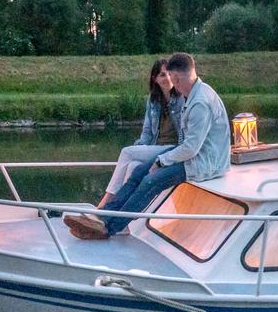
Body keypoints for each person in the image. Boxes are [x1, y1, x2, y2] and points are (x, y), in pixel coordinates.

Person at [68, 52, 229, 239]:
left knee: (150, 181)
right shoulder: (194, 93)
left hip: (203, 162)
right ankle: (103, 216)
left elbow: (191, 148)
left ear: (176, 77)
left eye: (172, 79)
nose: (172, 84)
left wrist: (161, 162)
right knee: (138, 173)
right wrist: (160, 158)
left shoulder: (200, 102)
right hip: (191, 153)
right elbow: (187, 146)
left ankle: (109, 228)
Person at [94, 59, 183, 207]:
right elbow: (147, 133)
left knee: (127, 153)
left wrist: (135, 151)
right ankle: (125, 219)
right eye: (162, 75)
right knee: (132, 166)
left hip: (172, 149)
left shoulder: (180, 99)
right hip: (155, 147)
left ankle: (104, 205)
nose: (167, 78)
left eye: (169, 73)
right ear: (155, 79)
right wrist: (140, 148)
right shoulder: (153, 101)